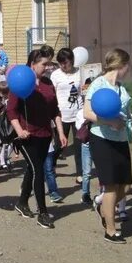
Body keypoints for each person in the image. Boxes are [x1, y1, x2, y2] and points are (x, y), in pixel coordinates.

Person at [8, 49, 66, 230]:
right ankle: (42, 212)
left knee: (32, 170)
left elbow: (54, 110)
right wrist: (20, 130)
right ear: (33, 64)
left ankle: (22, 202)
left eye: (49, 64)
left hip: (45, 134)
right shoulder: (21, 81)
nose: (47, 67)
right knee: (38, 170)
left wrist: (61, 132)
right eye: (44, 64)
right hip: (27, 137)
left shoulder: (48, 83)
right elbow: (12, 110)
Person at [83, 49, 132, 243]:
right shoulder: (98, 84)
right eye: (128, 65)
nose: (129, 69)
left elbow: (127, 115)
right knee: (112, 186)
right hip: (102, 140)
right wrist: (109, 122)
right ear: (121, 65)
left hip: (121, 140)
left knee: (127, 186)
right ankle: (111, 230)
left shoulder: (121, 87)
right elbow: (87, 113)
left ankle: (101, 206)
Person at [50, 47, 83, 184]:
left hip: (79, 114)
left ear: (72, 61)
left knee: (79, 145)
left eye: (67, 62)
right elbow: (52, 95)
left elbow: (84, 89)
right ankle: (51, 167)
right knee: (59, 145)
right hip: (61, 116)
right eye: (61, 63)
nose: (64, 65)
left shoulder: (80, 72)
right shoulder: (55, 75)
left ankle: (80, 173)